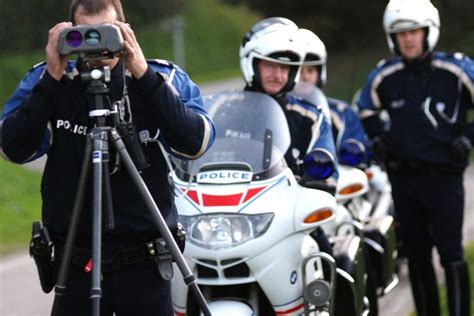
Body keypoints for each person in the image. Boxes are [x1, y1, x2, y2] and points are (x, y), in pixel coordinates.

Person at [0, 0, 215, 315]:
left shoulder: (160, 77)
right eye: (85, 35)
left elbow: (196, 142)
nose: (97, 48)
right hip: (77, 262)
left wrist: (142, 74)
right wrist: (50, 80)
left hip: (145, 262)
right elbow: (12, 148)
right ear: (69, 34)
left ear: (126, 33)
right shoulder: (51, 80)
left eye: (107, 33)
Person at [356, 0, 473, 315]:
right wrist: (378, 139)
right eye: (401, 33)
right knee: (417, 254)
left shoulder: (456, 70)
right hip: (404, 178)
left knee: (451, 252)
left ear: (429, 31)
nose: (408, 39)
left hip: (445, 177)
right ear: (392, 37)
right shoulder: (385, 75)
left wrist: (468, 137)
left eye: (414, 31)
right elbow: (364, 108)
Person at [239, 17, 338, 180]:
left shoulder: (312, 118)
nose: (278, 75)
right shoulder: (225, 109)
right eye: (270, 65)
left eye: (284, 68)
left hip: (287, 203)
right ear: (253, 65)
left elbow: (329, 176)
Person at [297, 28, 368, 160]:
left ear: (320, 73)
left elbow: (358, 156)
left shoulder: (342, 113)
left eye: (310, 70)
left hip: (332, 178)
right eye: (299, 71)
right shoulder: (277, 110)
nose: (305, 77)